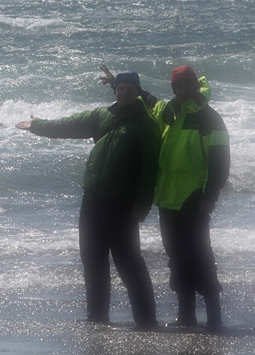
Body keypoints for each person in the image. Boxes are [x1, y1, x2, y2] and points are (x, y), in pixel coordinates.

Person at [16, 72, 160, 329]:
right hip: (93, 197)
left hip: (123, 202)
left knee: (128, 262)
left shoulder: (147, 126)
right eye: (120, 88)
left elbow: (151, 169)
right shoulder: (102, 116)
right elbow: (70, 124)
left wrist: (143, 204)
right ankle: (97, 318)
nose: (124, 93)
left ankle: (147, 319)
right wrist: (38, 126)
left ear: (138, 91)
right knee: (92, 258)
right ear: (115, 90)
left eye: (129, 88)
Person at [100, 64, 230, 329]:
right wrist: (120, 83)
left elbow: (220, 161)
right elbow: (148, 100)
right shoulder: (169, 111)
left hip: (194, 199)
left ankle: (214, 315)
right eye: (177, 86)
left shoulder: (209, 118)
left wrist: (210, 195)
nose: (182, 90)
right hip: (168, 199)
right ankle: (186, 315)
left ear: (195, 85)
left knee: (199, 254)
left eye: (186, 85)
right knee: (176, 257)